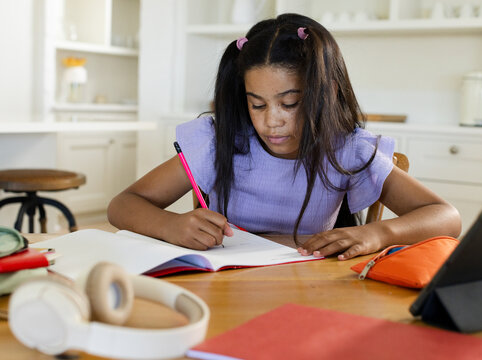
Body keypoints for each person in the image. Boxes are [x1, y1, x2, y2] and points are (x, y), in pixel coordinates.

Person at [108, 13, 461, 260]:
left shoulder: (346, 149)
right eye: (256, 105)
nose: (271, 122)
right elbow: (123, 205)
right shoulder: (223, 142)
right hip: (223, 284)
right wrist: (170, 225)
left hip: (310, 284)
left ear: (326, 92)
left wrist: (380, 233)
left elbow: (446, 217)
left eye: (290, 103)